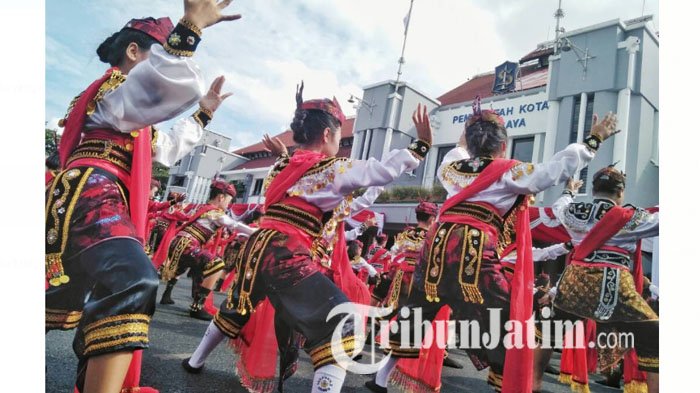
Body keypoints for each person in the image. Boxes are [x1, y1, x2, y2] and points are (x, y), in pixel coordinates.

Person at [182, 85, 434, 393]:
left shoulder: (282, 168)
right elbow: (378, 171)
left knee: (237, 308)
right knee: (343, 324)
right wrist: (420, 147)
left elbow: (336, 200)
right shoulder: (329, 169)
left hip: (258, 247)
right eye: (339, 137)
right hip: (286, 254)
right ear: (328, 134)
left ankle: (194, 361)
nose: (339, 144)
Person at [45, 2, 241, 391]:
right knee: (133, 281)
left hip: (103, 196)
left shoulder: (126, 116)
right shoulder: (110, 89)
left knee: (118, 287)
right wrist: (190, 30)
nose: (162, 59)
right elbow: (158, 84)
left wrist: (202, 114)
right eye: (158, 51)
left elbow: (164, 148)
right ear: (134, 52)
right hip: (90, 192)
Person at [365, 98, 618, 393]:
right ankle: (504, 384)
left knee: (418, 311)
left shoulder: (452, 169)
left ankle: (381, 379)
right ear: (502, 146)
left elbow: (454, 154)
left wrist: (463, 141)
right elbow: (553, 170)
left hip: (437, 247)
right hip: (474, 249)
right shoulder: (508, 171)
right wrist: (592, 140)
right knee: (508, 321)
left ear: (469, 145)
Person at [550, 165, 660, 393]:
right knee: (653, 333)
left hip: (573, 283)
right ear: (620, 192)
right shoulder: (631, 217)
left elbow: (558, 207)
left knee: (547, 330)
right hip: (613, 285)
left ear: (593, 189)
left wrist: (569, 191)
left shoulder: (574, 212)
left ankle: (530, 382)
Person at [156, 180, 255, 319]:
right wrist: (257, 232)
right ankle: (198, 306)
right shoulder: (214, 212)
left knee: (199, 269)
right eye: (228, 200)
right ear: (221, 197)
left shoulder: (202, 207)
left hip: (182, 242)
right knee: (217, 264)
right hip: (187, 244)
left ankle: (168, 296)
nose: (228, 204)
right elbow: (233, 224)